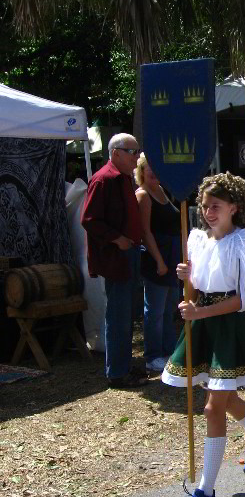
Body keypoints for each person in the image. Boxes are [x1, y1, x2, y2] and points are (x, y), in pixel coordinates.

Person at [162, 172, 245, 497]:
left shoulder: (244, 241)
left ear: (234, 206)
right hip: (202, 326)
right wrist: (187, 278)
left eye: (216, 205)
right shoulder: (197, 238)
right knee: (227, 400)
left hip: (228, 325)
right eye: (204, 205)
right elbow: (198, 285)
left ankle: (206, 492)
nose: (208, 211)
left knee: (214, 406)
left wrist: (200, 309)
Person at [81, 133, 145, 389]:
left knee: (126, 314)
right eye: (132, 151)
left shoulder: (123, 179)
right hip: (116, 257)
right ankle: (117, 373)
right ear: (116, 153)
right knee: (118, 315)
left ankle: (124, 366)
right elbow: (89, 219)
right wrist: (117, 238)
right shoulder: (104, 179)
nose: (137, 156)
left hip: (128, 254)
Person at [134, 153, 181, 373]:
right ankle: (153, 356)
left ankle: (169, 351)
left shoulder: (161, 191)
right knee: (154, 310)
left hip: (171, 257)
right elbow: (145, 232)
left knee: (169, 307)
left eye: (156, 167)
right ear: (141, 170)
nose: (152, 171)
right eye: (148, 167)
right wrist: (160, 261)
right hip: (157, 258)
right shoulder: (143, 195)